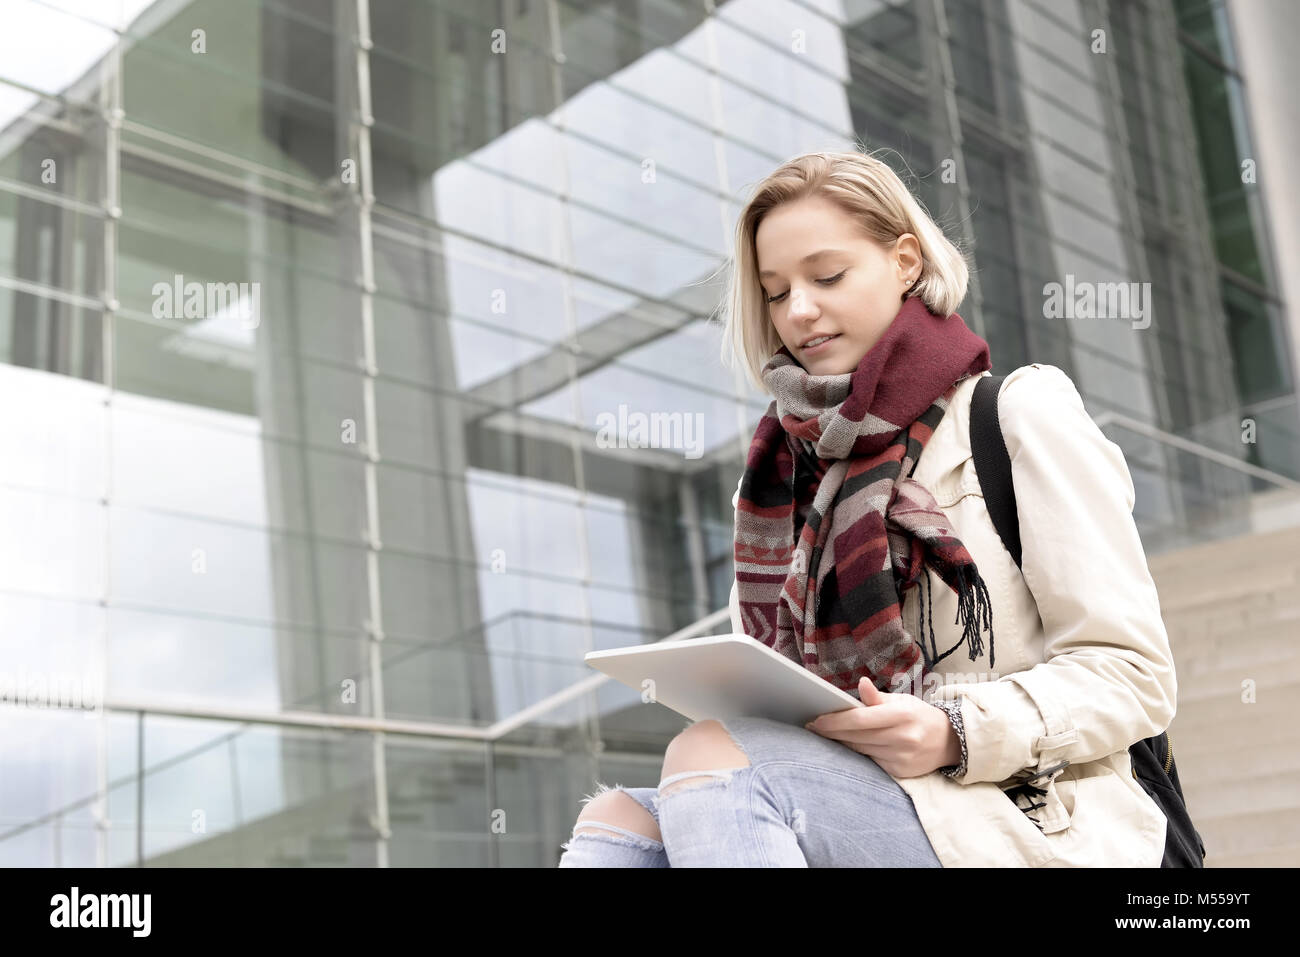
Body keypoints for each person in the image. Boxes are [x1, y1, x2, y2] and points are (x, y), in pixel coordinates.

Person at [557, 150, 1176, 867]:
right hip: (865, 789)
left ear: (905, 261)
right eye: (774, 290)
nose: (798, 311)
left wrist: (954, 728)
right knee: (618, 819)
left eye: (826, 276)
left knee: (711, 754)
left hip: (1026, 812)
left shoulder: (1015, 415)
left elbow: (1133, 674)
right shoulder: (775, 478)